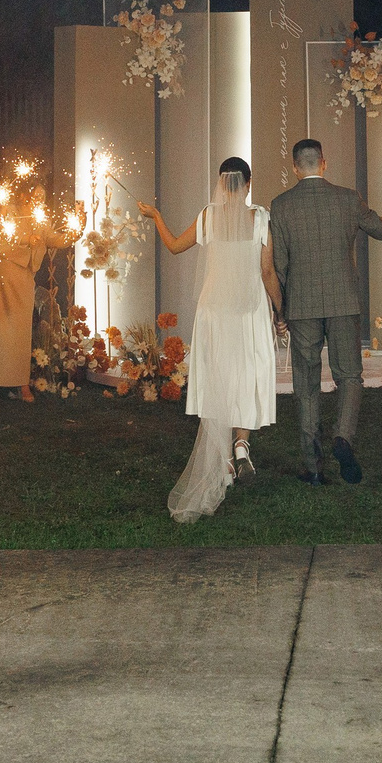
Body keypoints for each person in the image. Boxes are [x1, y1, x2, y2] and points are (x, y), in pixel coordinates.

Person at [140, 158, 282, 520]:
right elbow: (267, 271)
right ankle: (240, 444)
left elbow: (173, 246)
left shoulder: (207, 217)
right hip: (248, 313)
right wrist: (280, 311)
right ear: (248, 184)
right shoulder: (261, 219)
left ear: (222, 185)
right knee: (246, 374)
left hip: (214, 314)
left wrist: (156, 216)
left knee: (219, 376)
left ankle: (223, 459)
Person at [270, 137, 382, 486]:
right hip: (344, 301)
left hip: (302, 304)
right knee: (349, 376)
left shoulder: (281, 205)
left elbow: (280, 264)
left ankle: (314, 467)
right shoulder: (348, 199)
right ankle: (343, 438)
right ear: (324, 162)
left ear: (294, 167)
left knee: (306, 385)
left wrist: (281, 308)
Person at [0, 199, 47, 403]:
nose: (38, 197)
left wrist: (78, 227)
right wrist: (26, 239)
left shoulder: (39, 216)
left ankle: (20, 383)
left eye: (41, 194)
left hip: (24, 280)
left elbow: (54, 238)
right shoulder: (6, 208)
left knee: (20, 332)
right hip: (1, 276)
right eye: (35, 193)